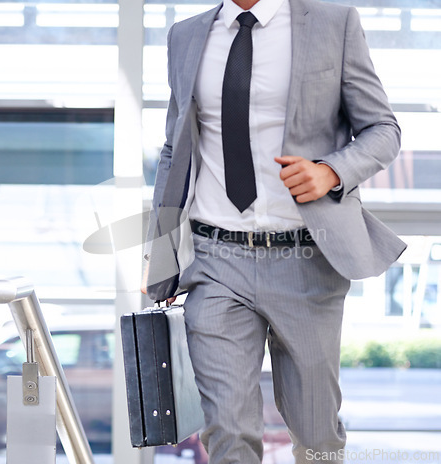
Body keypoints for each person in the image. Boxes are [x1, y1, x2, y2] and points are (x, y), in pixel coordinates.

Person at [142, 0, 406, 462]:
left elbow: (383, 129)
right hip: (217, 260)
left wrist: (331, 170)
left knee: (316, 435)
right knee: (228, 431)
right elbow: (174, 150)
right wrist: (160, 254)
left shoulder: (333, 22)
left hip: (306, 260)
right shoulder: (184, 36)